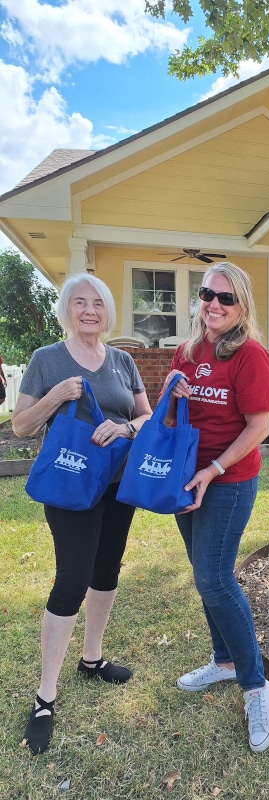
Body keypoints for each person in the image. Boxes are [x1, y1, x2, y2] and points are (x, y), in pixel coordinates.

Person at [12, 273, 152, 755]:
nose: (89, 310)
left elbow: (147, 417)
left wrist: (124, 429)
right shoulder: (46, 360)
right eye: (79, 302)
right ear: (66, 310)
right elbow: (21, 426)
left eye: (97, 303)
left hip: (117, 486)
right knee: (72, 578)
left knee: (106, 571)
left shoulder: (122, 361)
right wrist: (57, 395)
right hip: (71, 486)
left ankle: (91, 660)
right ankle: (45, 694)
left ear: (107, 312)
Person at [161, 261, 269, 754]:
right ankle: (224, 660)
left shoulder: (250, 354)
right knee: (202, 571)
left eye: (225, 298)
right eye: (208, 294)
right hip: (186, 476)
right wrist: (172, 394)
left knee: (214, 577)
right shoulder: (186, 352)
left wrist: (214, 470)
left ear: (242, 305)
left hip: (228, 480)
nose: (213, 304)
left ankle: (256, 685)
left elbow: (259, 427)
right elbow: (167, 417)